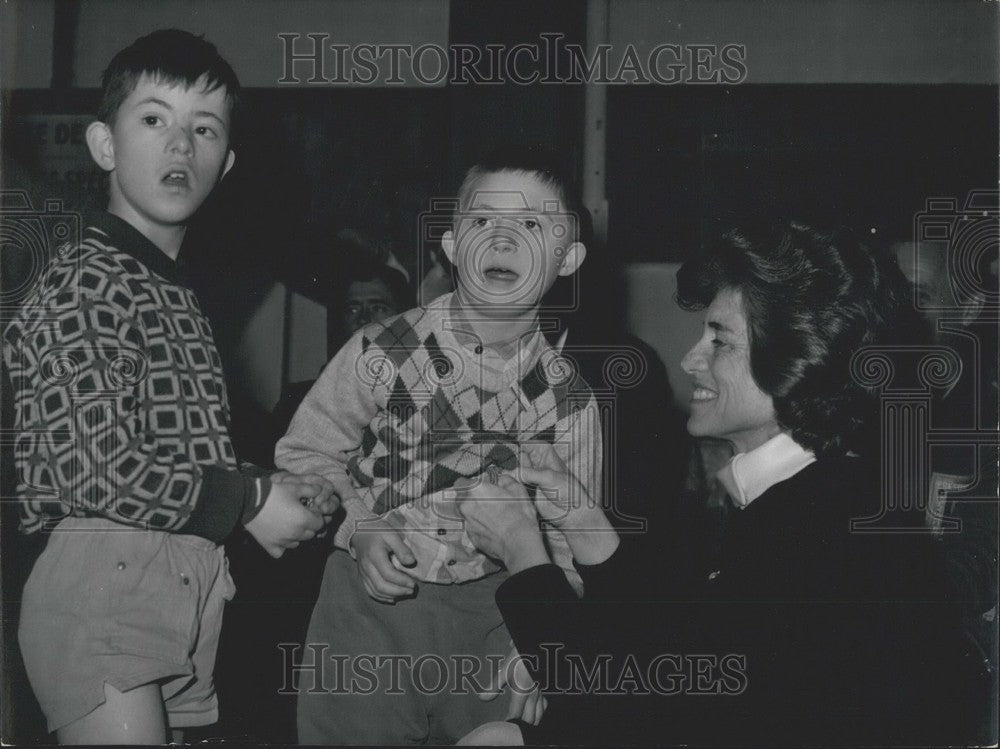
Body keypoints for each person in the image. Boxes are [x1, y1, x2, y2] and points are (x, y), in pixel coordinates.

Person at [456, 221, 971, 746]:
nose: (689, 359)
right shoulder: (825, 494)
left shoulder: (811, 525)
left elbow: (638, 709)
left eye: (719, 340)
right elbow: (682, 653)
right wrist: (581, 517)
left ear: (797, 355)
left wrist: (522, 548)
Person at [2, 30, 337, 745]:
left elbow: (164, 452)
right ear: (103, 145)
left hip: (176, 583)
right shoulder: (89, 279)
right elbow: (90, 466)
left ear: (227, 162)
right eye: (154, 118)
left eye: (204, 129)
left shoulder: (167, 288)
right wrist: (247, 502)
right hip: (103, 583)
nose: (181, 144)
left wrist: (261, 483)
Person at [275, 147, 603, 744]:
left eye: (532, 223)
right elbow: (306, 455)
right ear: (452, 246)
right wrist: (359, 525)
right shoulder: (382, 350)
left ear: (569, 258)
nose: (502, 238)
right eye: (483, 219)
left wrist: (540, 644)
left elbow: (569, 539)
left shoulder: (570, 400)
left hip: (496, 619)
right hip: (369, 605)